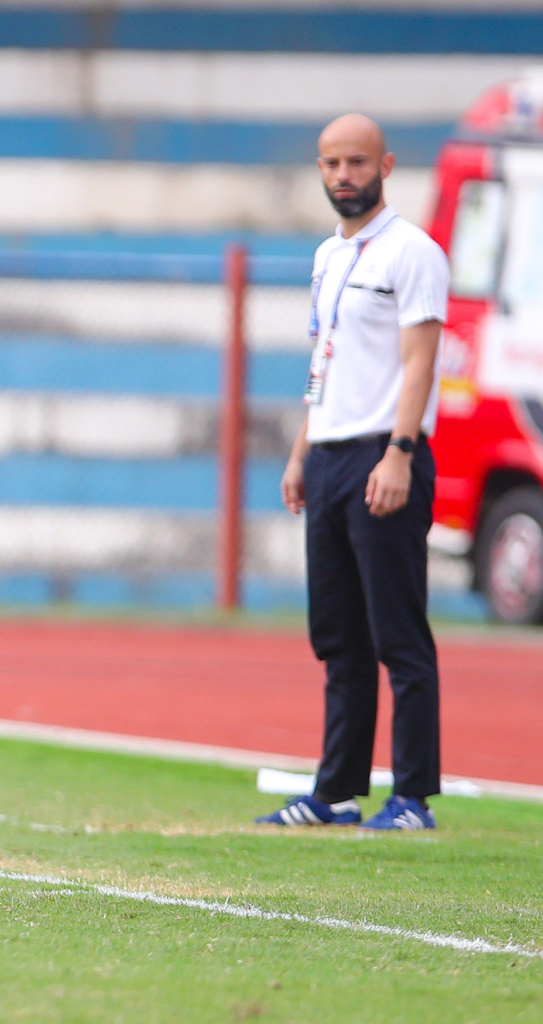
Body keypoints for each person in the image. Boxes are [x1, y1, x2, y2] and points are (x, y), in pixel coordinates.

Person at [256, 114, 449, 832]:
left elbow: (419, 362)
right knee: (337, 635)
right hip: (332, 455)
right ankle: (336, 790)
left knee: (398, 633)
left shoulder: (413, 253)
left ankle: (413, 797)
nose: (344, 175)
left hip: (383, 454)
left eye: (357, 162)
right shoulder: (325, 258)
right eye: (332, 163)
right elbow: (324, 366)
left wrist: (400, 451)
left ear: (386, 165)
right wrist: (303, 450)